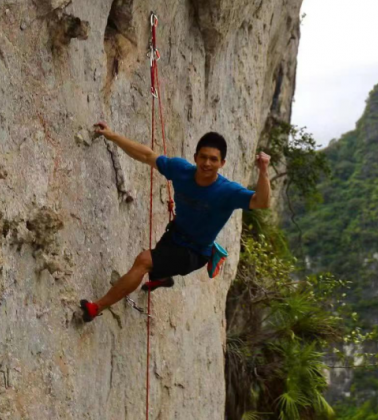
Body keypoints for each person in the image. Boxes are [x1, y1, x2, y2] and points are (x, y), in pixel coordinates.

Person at [80, 122, 271, 323]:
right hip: (174, 235)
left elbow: (261, 202)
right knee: (156, 267)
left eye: (213, 159)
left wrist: (263, 171)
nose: (207, 163)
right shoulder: (181, 170)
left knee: (144, 261)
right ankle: (162, 278)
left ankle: (96, 308)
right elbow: (146, 156)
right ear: (195, 157)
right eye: (203, 157)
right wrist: (112, 135)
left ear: (222, 163)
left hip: (195, 253)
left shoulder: (228, 192)